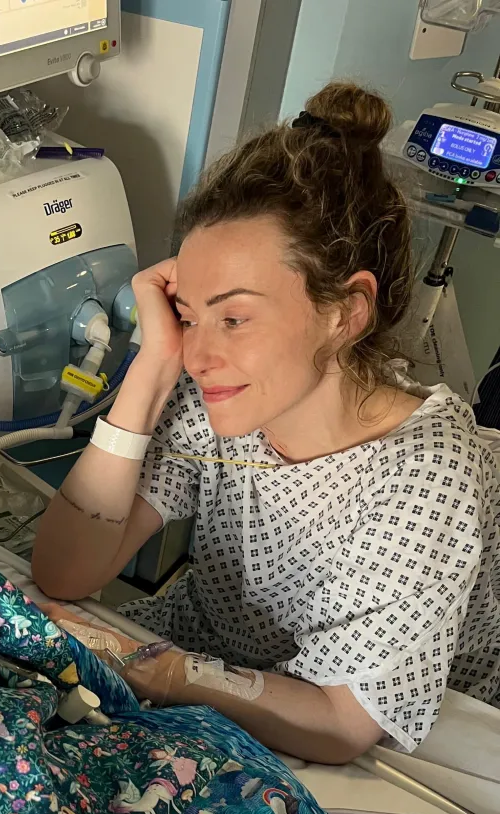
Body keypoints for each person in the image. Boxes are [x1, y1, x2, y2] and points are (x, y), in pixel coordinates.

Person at [32, 81, 500, 764]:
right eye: (189, 314)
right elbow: (65, 570)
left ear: (345, 311)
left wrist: (165, 671)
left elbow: (342, 719)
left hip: (370, 715)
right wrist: (152, 365)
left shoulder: (426, 475)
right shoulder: (219, 398)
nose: (200, 354)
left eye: (235, 316)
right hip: (211, 658)